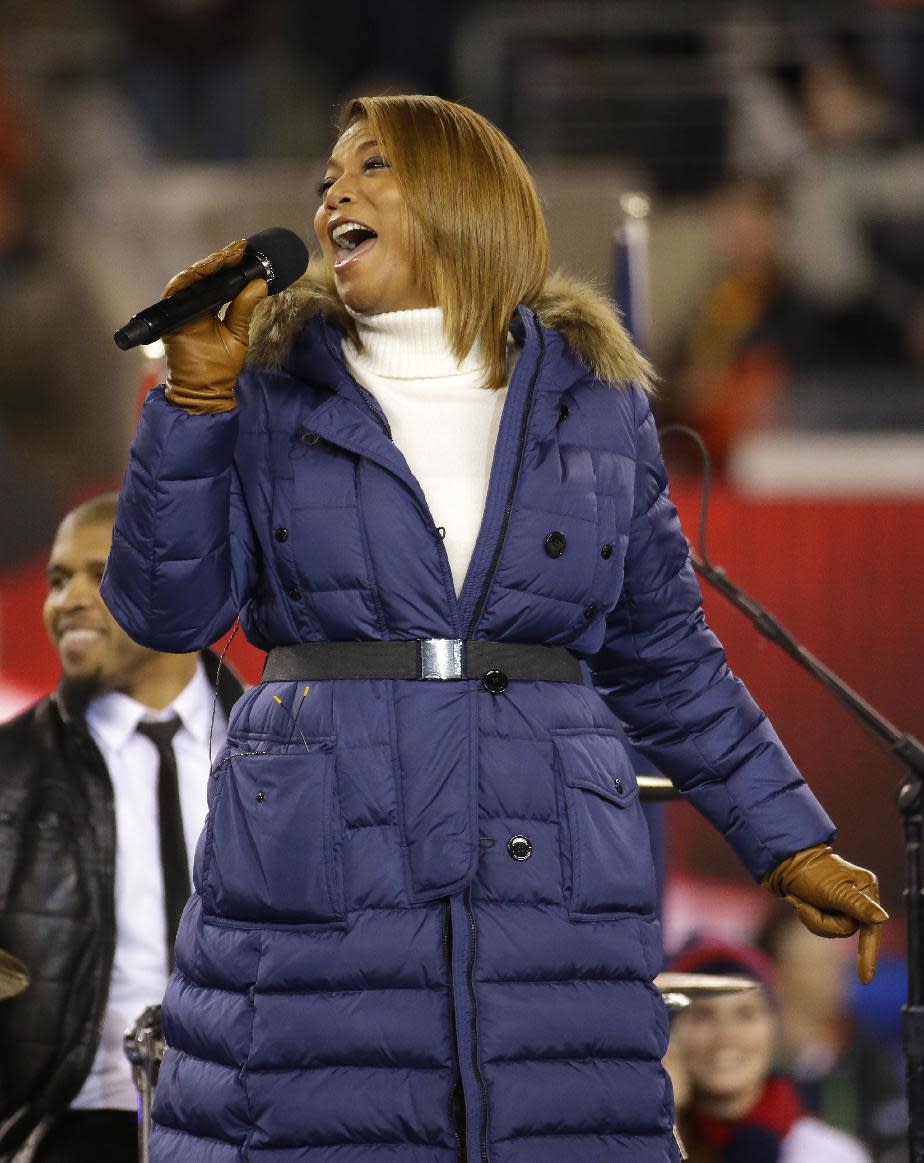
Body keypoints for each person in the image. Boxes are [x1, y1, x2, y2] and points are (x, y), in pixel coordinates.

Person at [100, 94, 887, 1163]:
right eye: (326, 176)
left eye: (373, 167)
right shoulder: (268, 385)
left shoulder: (597, 405)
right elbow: (166, 609)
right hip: (313, 870)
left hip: (550, 871)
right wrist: (195, 402)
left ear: (468, 198)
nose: (335, 192)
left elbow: (664, 657)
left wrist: (792, 839)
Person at [0, 492, 243, 1162]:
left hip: (257, 1116)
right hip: (72, 1125)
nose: (67, 599)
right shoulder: (7, 773)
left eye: (99, 575)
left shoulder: (289, 758)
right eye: (57, 579)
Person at [664, 938, 873, 1162]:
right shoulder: (647, 1143)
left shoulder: (828, 1154)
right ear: (672, 1035)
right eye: (703, 1015)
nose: (725, 1036)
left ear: (774, 1029)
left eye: (746, 1014)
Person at [758, 904, 907, 1161]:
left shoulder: (864, 1051)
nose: (836, 972)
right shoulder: (753, 1060)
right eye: (817, 963)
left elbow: (892, 1136)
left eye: (837, 960)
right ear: (775, 973)